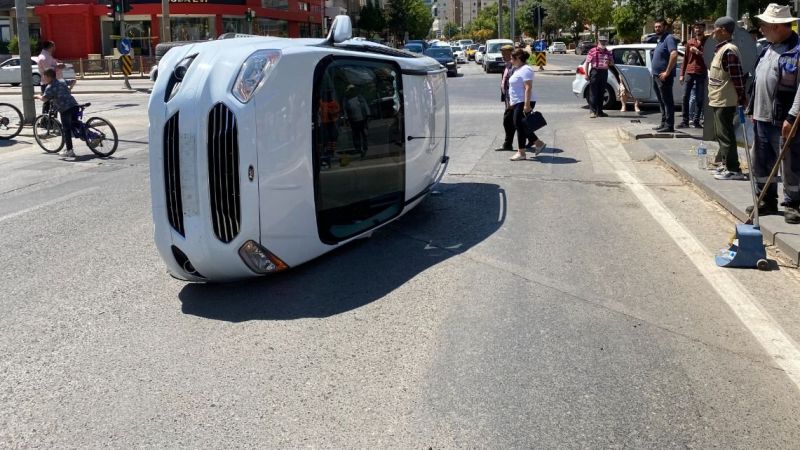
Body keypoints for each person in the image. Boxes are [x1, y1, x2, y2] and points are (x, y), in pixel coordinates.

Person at [746, 3, 800, 223]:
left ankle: (793, 204)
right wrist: (751, 107)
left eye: (764, 25)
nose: (761, 29)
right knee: (761, 160)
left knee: (790, 163)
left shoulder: (796, 51)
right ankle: (766, 199)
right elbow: (759, 80)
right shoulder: (768, 48)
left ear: (777, 26)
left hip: (783, 119)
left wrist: (792, 117)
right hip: (761, 117)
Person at [708, 16, 748, 181]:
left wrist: (741, 96)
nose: (713, 32)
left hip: (725, 100)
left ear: (723, 30)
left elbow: (737, 77)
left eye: (715, 28)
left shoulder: (729, 50)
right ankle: (726, 165)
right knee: (720, 134)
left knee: (726, 135)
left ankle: (733, 169)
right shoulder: (721, 49)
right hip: (718, 98)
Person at [508, 48, 546, 161]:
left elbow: (528, 87)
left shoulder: (526, 69)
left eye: (511, 58)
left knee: (518, 125)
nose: (510, 60)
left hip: (523, 101)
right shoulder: (518, 69)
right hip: (517, 102)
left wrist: (527, 104)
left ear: (518, 58)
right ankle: (538, 143)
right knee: (521, 125)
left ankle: (522, 152)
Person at [35, 68, 79, 158]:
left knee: (66, 129)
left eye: (44, 77)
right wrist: (69, 89)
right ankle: (92, 137)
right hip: (74, 105)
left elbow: (44, 99)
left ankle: (69, 151)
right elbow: (74, 81)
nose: (43, 78)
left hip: (65, 109)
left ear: (48, 77)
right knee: (77, 125)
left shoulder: (50, 87)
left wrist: (37, 96)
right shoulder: (62, 81)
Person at [500, 44, 532, 151]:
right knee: (515, 122)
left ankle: (530, 141)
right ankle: (531, 140)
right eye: (502, 53)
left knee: (513, 122)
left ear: (511, 54)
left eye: (505, 53)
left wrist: (514, 101)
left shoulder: (516, 67)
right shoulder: (508, 65)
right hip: (510, 99)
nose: (503, 55)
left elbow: (521, 85)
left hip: (516, 100)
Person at [651, 18, 679, 132]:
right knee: (661, 101)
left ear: (665, 27)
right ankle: (663, 123)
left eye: (659, 27)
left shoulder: (669, 38)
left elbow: (674, 54)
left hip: (664, 77)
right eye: (656, 27)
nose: (657, 28)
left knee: (667, 101)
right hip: (656, 76)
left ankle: (669, 125)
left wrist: (667, 72)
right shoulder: (660, 39)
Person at [679, 22, 708, 128]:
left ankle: (696, 120)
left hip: (701, 72)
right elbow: (685, 60)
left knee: (700, 98)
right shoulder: (690, 42)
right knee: (685, 96)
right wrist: (682, 74)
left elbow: (710, 57)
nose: (698, 30)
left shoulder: (708, 42)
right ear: (694, 30)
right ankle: (685, 120)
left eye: (700, 27)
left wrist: (698, 52)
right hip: (689, 72)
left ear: (703, 29)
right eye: (696, 28)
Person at [583, 37, 614, 118]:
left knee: (601, 92)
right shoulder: (592, 51)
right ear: (598, 42)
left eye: (604, 41)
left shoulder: (608, 52)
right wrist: (586, 74)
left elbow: (612, 63)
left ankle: (599, 111)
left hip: (604, 72)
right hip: (595, 72)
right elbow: (587, 63)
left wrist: (610, 62)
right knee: (593, 92)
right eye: (601, 41)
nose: (603, 43)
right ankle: (592, 111)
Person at [343, 84, 370, 160]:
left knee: (363, 134)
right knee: (356, 135)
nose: (352, 91)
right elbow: (345, 110)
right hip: (354, 120)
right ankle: (359, 149)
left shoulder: (359, 97)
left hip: (362, 119)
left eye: (352, 89)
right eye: (351, 90)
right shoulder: (347, 99)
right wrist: (347, 119)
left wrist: (368, 115)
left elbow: (365, 106)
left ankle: (364, 148)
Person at [319, 88, 340, 169]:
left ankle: (331, 151)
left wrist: (333, 113)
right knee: (329, 138)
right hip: (326, 123)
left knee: (332, 137)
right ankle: (329, 151)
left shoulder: (331, 103)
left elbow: (337, 110)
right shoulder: (325, 104)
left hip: (330, 122)